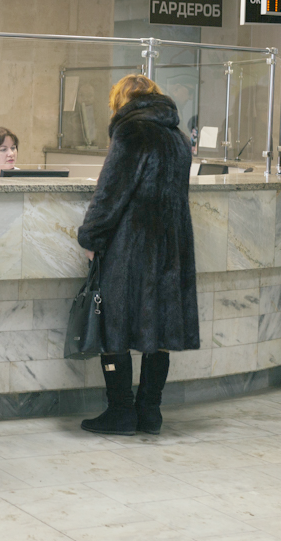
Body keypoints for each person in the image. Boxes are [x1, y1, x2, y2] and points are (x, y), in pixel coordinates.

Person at [77, 74, 197, 436]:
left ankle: (120, 412)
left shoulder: (130, 132)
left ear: (120, 102)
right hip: (173, 246)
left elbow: (110, 193)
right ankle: (150, 412)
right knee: (158, 329)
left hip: (133, 245)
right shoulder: (178, 137)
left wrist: (90, 236)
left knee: (115, 325)